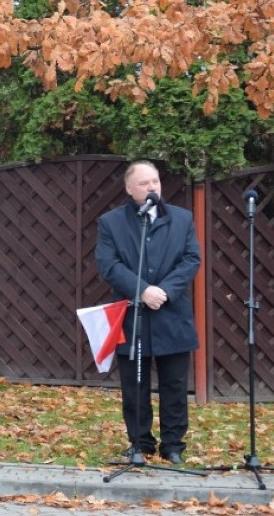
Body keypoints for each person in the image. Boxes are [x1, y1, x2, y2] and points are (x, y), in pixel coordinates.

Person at [95, 159, 201, 465]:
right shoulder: (111, 223)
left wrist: (164, 290)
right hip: (132, 317)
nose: (152, 187)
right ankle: (140, 443)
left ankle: (173, 445)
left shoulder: (182, 219)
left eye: (155, 181)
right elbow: (109, 265)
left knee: (174, 385)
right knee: (134, 386)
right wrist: (142, 289)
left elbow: (191, 259)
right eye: (144, 183)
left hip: (172, 314)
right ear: (129, 189)